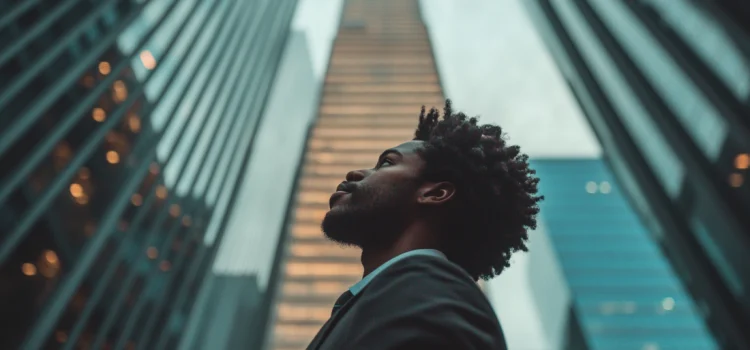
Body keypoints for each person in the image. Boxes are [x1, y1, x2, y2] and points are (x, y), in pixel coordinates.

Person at [306, 100, 543, 350]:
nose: (356, 173)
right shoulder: (398, 296)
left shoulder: (435, 295)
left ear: (435, 193)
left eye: (386, 163)